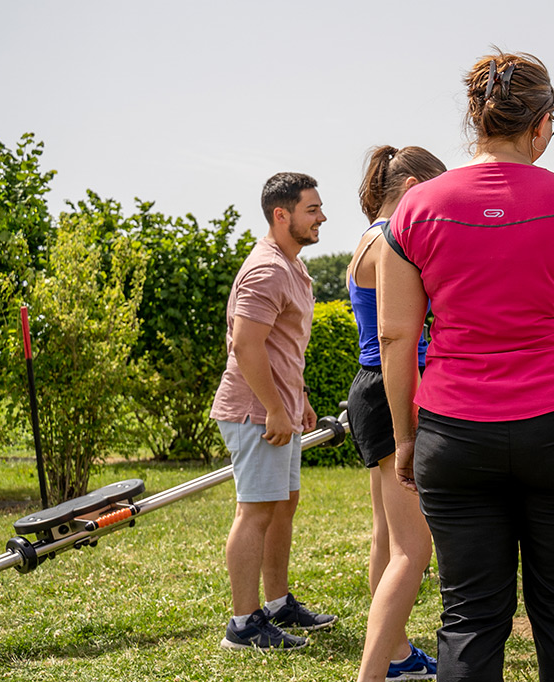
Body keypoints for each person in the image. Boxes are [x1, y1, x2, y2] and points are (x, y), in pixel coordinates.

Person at [377, 52, 554, 682]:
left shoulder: (415, 211)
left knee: (469, 617)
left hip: (455, 431)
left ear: (477, 119)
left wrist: (407, 437)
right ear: (542, 122)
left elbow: (394, 335)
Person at [210, 172, 337, 650]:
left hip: (277, 409)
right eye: (312, 209)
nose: (322, 216)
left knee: (282, 507)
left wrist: (296, 398)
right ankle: (243, 625)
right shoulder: (267, 269)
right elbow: (246, 344)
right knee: (255, 512)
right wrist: (272, 408)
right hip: (253, 413)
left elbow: (284, 346)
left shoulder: (293, 265)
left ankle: (278, 603)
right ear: (281, 215)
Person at [347, 145, 446, 681]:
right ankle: (373, 672)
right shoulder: (390, 241)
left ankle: (398, 655)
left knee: (388, 538)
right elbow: (394, 336)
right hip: (394, 392)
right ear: (411, 188)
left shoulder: (368, 238)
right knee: (414, 549)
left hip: (371, 390)